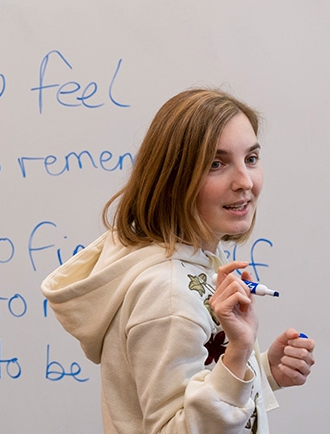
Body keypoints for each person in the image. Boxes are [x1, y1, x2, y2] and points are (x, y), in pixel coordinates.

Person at [41, 88, 315, 433]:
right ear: (173, 179)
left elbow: (192, 390)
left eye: (251, 159)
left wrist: (261, 370)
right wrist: (238, 352)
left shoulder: (186, 264)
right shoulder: (167, 293)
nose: (245, 181)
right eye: (217, 164)